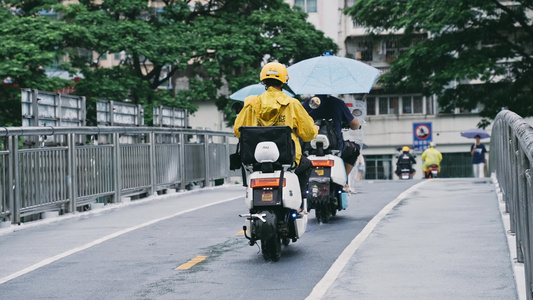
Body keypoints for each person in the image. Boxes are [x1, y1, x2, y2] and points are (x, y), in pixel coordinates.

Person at [233, 62, 318, 203]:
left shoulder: (250, 105)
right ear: (283, 82)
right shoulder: (292, 104)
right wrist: (315, 129)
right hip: (287, 160)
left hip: (256, 160)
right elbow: (308, 134)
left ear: (263, 81)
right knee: (307, 165)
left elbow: (238, 131)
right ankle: (301, 203)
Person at [302, 94, 361, 191]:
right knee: (354, 149)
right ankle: (343, 181)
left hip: (310, 148)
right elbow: (354, 124)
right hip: (335, 147)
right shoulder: (338, 103)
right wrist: (357, 126)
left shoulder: (307, 104)